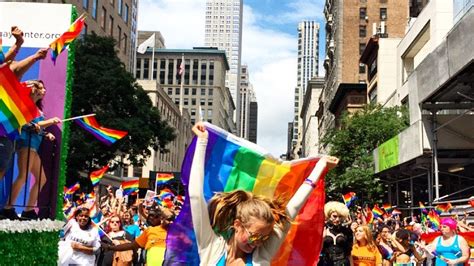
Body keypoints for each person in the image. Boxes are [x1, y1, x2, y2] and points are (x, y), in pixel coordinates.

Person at [188, 122, 339, 265]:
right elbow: (195, 196)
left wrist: (320, 167)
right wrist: (202, 142)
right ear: (237, 224)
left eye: (264, 237)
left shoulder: (261, 256)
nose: (258, 243)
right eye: (254, 236)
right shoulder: (211, 247)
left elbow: (292, 208)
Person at [1, 80, 61, 219]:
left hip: (34, 144)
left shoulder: (37, 109)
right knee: (23, 176)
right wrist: (50, 122)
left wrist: (46, 133)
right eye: (40, 87)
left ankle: (28, 210)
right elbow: (26, 122)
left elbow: (36, 126)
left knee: (41, 179)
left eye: (44, 87)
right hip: (25, 143)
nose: (43, 90)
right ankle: (7, 208)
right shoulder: (24, 105)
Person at [104, 206, 169, 265]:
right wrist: (111, 248)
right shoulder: (149, 231)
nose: (152, 218)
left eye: (156, 216)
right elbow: (132, 245)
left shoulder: (173, 231)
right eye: (150, 216)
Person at [319, 201, 353, 265]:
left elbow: (349, 253)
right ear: (329, 215)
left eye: (340, 216)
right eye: (334, 216)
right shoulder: (322, 229)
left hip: (343, 263)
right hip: (325, 263)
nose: (337, 219)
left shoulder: (347, 231)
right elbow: (316, 251)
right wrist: (322, 238)